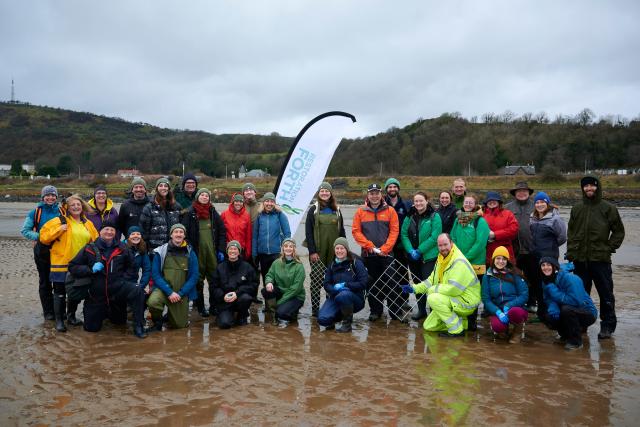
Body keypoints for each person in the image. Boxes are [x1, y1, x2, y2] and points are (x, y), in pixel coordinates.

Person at [567, 175, 625, 340]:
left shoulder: (608, 208)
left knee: (606, 294)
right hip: (580, 260)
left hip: (600, 260)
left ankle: (607, 326)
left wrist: (609, 247)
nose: (589, 189)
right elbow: (571, 233)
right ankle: (582, 324)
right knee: (581, 293)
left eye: (592, 186)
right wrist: (571, 251)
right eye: (586, 186)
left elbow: (619, 231)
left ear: (597, 187)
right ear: (582, 189)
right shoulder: (577, 208)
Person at [68, 221, 147, 338]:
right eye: (106, 229)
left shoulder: (123, 248)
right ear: (100, 232)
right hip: (96, 293)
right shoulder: (89, 248)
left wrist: (123, 280)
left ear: (115, 233)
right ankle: (102, 312)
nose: (109, 232)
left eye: (112, 230)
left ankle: (139, 326)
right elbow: (72, 266)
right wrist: (90, 269)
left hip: (117, 290)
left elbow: (132, 267)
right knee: (91, 329)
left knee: (137, 291)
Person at [39, 194, 99, 332]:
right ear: (67, 207)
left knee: (76, 290)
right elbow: (43, 237)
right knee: (59, 292)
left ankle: (71, 316)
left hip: (79, 265)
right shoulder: (59, 221)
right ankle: (60, 320)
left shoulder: (87, 223)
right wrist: (58, 230)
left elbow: (95, 242)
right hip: (61, 262)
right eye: (73, 205)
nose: (76, 207)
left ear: (82, 206)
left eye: (78, 204)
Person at [402, 233, 480, 337]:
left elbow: (454, 289)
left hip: (467, 301)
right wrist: (414, 288)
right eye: (440, 245)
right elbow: (431, 280)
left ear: (451, 243)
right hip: (454, 298)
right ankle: (464, 323)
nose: (443, 248)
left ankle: (456, 329)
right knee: (428, 326)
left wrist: (432, 290)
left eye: (445, 244)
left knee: (433, 298)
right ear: (437, 246)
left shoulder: (458, 261)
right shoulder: (441, 259)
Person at [352, 183, 400, 322]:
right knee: (373, 284)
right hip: (369, 254)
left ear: (381, 194)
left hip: (387, 254)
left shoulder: (390, 210)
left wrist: (386, 248)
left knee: (391, 281)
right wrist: (369, 246)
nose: (374, 195)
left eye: (377, 193)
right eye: (372, 193)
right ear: (368, 195)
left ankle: (395, 311)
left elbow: (394, 230)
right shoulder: (360, 211)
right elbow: (356, 231)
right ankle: (375, 311)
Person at [182, 188, 227, 317]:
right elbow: (184, 234)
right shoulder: (190, 213)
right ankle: (201, 307)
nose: (204, 197)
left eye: (207, 195)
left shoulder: (213, 212)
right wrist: (190, 250)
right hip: (197, 253)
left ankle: (214, 306)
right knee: (198, 280)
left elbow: (222, 232)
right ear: (197, 197)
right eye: (202, 195)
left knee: (214, 280)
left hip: (212, 253)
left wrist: (221, 250)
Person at [21, 185, 63, 320]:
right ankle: (48, 312)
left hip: (59, 250)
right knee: (45, 282)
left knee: (59, 281)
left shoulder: (62, 211)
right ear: (43, 197)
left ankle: (60, 311)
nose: (50, 198)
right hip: (42, 250)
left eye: (53, 195)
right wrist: (41, 237)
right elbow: (25, 231)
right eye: (47, 195)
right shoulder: (35, 212)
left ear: (56, 197)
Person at [304, 182, 346, 316]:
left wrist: (344, 250)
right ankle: (315, 310)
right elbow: (308, 232)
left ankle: (330, 307)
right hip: (318, 252)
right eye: (322, 191)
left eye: (327, 191)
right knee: (316, 280)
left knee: (333, 281)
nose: (324, 193)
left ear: (331, 193)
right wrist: (312, 251)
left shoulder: (337, 209)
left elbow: (342, 232)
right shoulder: (313, 210)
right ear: (318, 193)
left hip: (335, 253)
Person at [450, 194, 490, 330]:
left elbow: (480, 244)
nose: (467, 204)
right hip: (459, 262)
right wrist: (457, 255)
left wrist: (465, 258)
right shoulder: (458, 219)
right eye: (466, 202)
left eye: (470, 202)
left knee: (473, 293)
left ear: (475, 205)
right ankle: (461, 317)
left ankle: (472, 321)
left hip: (475, 263)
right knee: (459, 290)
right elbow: (453, 237)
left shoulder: (480, 221)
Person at [148, 224, 199, 330]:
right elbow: (156, 275)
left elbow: (194, 276)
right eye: (176, 232)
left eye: (181, 232)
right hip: (164, 289)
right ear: (171, 235)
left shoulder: (190, 253)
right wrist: (169, 292)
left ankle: (170, 316)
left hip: (181, 293)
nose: (178, 234)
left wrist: (180, 293)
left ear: (184, 235)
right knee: (153, 302)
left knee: (179, 326)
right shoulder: (161, 251)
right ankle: (157, 322)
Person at [539, 257, 597, 350]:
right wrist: (553, 307)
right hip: (567, 308)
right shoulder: (546, 279)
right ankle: (565, 336)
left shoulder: (571, 278)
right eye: (543, 265)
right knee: (547, 314)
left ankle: (576, 342)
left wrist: (553, 290)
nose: (546, 268)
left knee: (566, 310)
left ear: (555, 267)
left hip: (587, 312)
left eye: (549, 265)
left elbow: (576, 301)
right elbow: (548, 299)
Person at [400, 191, 442, 320]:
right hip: (413, 258)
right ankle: (421, 310)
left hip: (429, 257)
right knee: (417, 284)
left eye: (421, 201)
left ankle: (434, 312)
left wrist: (419, 250)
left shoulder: (435, 216)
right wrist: (410, 250)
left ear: (427, 201)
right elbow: (404, 234)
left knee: (430, 285)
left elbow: (435, 237)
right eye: (416, 201)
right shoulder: (410, 216)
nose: (418, 203)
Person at [317, 237, 368, 332]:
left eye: (342, 248)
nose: (339, 251)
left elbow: (363, 283)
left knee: (344, 295)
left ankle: (347, 324)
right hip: (336, 296)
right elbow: (326, 284)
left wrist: (346, 285)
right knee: (322, 320)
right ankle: (335, 318)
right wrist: (334, 289)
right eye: (337, 248)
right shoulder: (332, 265)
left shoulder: (356, 263)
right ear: (334, 250)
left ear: (347, 250)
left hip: (355, 298)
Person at [529, 191, 567, 315]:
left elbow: (562, 237)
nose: (539, 205)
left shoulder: (555, 218)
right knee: (538, 284)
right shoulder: (532, 218)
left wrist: (550, 247)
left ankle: (553, 311)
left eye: (542, 202)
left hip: (550, 257)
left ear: (547, 203)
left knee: (550, 284)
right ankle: (541, 311)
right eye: (537, 202)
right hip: (535, 256)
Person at [481, 246, 529, 343]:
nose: (501, 261)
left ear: (507, 261)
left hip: (514, 307)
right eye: (498, 258)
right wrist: (497, 311)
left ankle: (517, 332)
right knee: (497, 326)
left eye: (504, 259)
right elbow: (486, 299)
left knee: (515, 312)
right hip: (498, 309)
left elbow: (524, 294)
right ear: (493, 259)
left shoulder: (515, 273)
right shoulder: (488, 276)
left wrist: (509, 305)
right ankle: (503, 330)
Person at [505, 181, 538, 312]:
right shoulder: (507, 208)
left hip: (532, 249)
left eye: (525, 191)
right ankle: (515, 302)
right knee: (514, 277)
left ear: (529, 193)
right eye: (519, 191)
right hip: (514, 249)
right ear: (515, 193)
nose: (522, 193)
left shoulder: (537, 206)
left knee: (533, 277)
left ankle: (532, 302)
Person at [210, 240, 258, 329]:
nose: (233, 251)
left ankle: (242, 315)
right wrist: (222, 296)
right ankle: (224, 315)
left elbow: (254, 285)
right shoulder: (220, 267)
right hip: (225, 301)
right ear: (227, 251)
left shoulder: (247, 267)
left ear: (239, 252)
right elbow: (213, 286)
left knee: (246, 298)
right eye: (230, 249)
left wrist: (237, 293)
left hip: (240, 298)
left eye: (235, 249)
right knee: (225, 324)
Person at [261, 238, 306, 327]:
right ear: (282, 248)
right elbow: (269, 275)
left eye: (290, 246)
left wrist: (279, 303)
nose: (288, 248)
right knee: (265, 290)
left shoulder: (299, 266)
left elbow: (296, 289)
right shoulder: (276, 263)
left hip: (296, 296)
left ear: (294, 249)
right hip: (282, 291)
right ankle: (275, 316)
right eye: (286, 246)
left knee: (282, 313)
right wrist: (269, 282)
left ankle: (292, 313)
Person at [252, 192, 291, 288]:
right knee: (266, 279)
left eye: (272, 201)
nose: (269, 203)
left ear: (275, 203)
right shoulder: (259, 216)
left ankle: (279, 301)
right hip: (263, 254)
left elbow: (287, 234)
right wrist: (254, 253)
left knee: (277, 278)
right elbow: (255, 236)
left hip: (276, 253)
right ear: (263, 203)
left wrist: (286, 250)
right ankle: (269, 302)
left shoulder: (280, 215)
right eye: (267, 201)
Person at [140, 177, 183, 253]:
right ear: (157, 188)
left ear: (169, 189)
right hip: (155, 249)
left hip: (174, 248)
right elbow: (144, 230)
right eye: (161, 186)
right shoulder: (149, 207)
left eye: (166, 186)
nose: (163, 188)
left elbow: (182, 226)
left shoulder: (177, 206)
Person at [482, 191, 519, 266]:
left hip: (505, 253)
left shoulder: (508, 214)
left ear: (499, 202)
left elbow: (514, 229)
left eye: (494, 200)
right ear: (486, 203)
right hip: (487, 254)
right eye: (489, 200)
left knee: (507, 276)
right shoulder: (482, 216)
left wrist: (495, 234)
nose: (492, 202)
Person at [220, 193, 252, 261]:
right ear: (233, 202)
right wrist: (221, 248)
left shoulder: (246, 216)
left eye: (241, 202)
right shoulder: (224, 214)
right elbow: (220, 232)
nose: (238, 203)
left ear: (243, 203)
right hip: (228, 249)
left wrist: (248, 251)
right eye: (236, 201)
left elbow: (248, 235)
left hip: (241, 249)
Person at [124, 226, 152, 294]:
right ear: (128, 236)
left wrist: (142, 285)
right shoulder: (121, 248)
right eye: (133, 234)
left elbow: (147, 269)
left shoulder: (142, 249)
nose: (136, 236)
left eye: (138, 234)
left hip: (134, 283)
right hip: (122, 283)